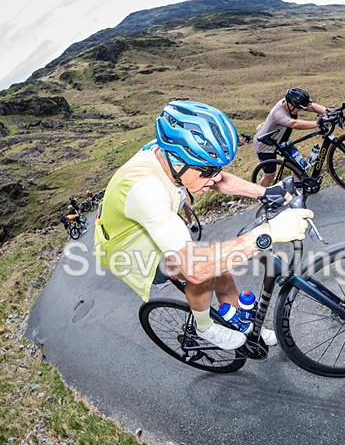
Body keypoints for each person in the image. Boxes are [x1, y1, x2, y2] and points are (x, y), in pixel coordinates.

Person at [95, 101, 313, 349]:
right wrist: (268, 232)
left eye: (217, 168)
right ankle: (204, 327)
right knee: (203, 272)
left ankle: (243, 323)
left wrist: (264, 192)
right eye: (208, 171)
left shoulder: (172, 153)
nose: (215, 176)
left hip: (150, 222)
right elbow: (195, 269)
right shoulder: (145, 191)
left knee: (222, 271)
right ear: (178, 162)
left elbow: (219, 180)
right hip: (129, 249)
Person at [253, 87, 330, 186]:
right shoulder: (278, 113)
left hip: (281, 140)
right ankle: (258, 192)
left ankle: (298, 187)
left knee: (297, 165)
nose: (301, 110)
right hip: (265, 145)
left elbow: (311, 107)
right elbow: (294, 124)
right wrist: (317, 123)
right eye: (299, 108)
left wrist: (326, 111)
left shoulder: (292, 103)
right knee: (270, 175)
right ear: (290, 105)